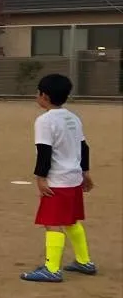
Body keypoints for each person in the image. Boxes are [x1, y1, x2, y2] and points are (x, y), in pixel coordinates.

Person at [23, 73, 96, 283]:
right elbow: (84, 147)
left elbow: (44, 152)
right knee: (71, 220)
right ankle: (84, 261)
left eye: (38, 92)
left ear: (44, 96)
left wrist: (40, 178)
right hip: (73, 177)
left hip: (58, 180)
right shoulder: (73, 117)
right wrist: (85, 172)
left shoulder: (45, 121)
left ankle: (52, 269)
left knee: (52, 223)